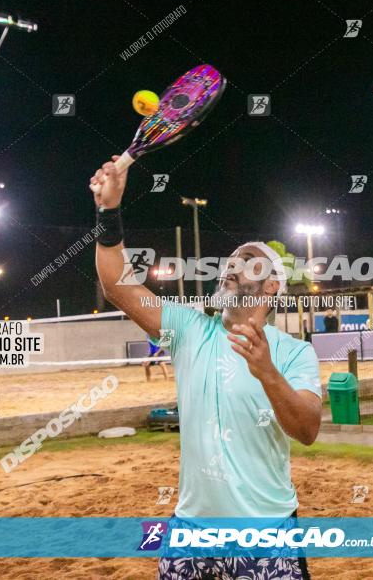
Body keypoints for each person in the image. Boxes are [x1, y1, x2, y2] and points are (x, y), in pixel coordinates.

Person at [91, 155, 319, 579]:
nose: (232, 265)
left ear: (272, 285)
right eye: (231, 260)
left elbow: (307, 429)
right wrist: (109, 210)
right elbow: (116, 285)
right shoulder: (190, 328)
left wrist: (267, 372)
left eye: (248, 261)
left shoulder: (294, 353)